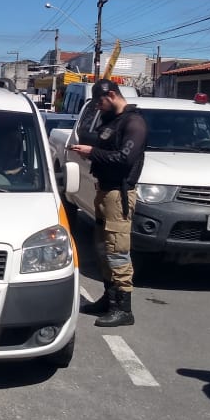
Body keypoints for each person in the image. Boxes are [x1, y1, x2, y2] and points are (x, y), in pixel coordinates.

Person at [67, 79, 147, 327]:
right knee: (103, 248)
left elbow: (125, 158)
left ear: (111, 95)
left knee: (117, 249)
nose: (99, 108)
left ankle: (124, 308)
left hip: (118, 194)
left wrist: (92, 152)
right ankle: (109, 298)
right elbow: (103, 144)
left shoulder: (134, 123)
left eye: (100, 102)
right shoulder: (112, 121)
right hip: (103, 191)